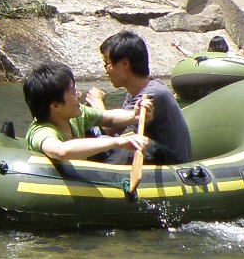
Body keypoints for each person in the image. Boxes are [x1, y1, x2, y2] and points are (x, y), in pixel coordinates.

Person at [21, 61, 148, 162]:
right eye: (73, 92)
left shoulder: (76, 114)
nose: (79, 95)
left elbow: (109, 118)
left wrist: (135, 115)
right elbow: (60, 151)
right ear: (55, 106)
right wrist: (117, 142)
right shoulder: (41, 132)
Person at [99, 30, 192, 165]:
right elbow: (114, 129)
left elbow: (108, 127)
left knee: (134, 147)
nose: (105, 71)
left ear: (125, 64)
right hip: (156, 157)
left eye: (107, 64)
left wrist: (97, 102)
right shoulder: (133, 92)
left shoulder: (152, 94)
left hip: (172, 164)